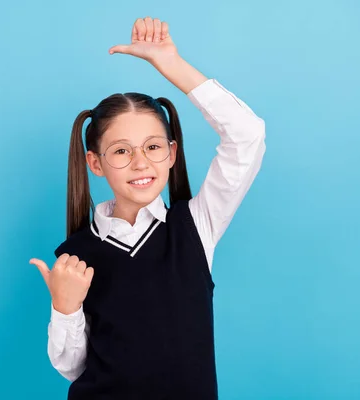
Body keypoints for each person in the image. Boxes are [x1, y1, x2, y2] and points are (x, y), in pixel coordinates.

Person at [30, 16, 266, 400]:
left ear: (172, 153)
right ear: (95, 163)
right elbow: (73, 368)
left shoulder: (195, 225)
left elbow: (247, 136)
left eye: (153, 147)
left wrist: (172, 65)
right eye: (121, 151)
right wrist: (66, 307)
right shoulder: (75, 254)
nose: (141, 163)